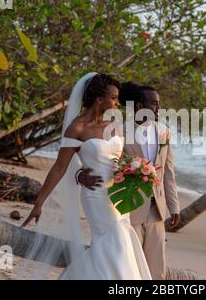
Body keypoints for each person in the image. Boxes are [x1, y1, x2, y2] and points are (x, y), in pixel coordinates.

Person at [20, 73, 151, 280]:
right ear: (99, 99)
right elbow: (59, 167)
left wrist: (135, 170)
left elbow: (120, 158)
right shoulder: (77, 128)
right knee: (116, 238)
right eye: (114, 98)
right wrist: (39, 202)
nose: (118, 103)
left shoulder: (115, 126)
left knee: (120, 238)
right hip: (95, 195)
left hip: (117, 193)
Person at [77, 81, 180, 280]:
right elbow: (101, 160)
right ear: (140, 107)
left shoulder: (164, 132)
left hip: (156, 209)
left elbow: (168, 172)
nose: (159, 108)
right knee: (130, 265)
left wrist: (174, 206)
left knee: (157, 269)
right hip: (129, 206)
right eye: (154, 103)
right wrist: (79, 175)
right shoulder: (120, 131)